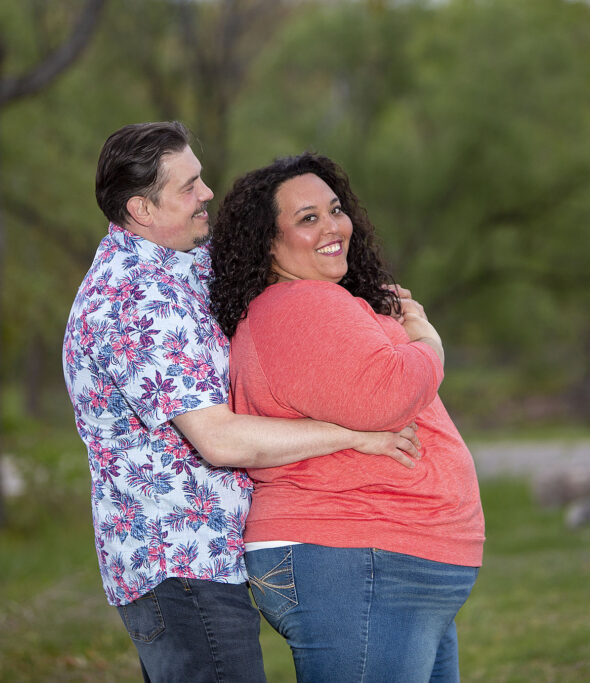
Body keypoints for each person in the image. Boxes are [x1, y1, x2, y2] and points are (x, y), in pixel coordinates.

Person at [62, 123, 422, 683]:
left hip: (204, 562)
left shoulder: (178, 266)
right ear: (141, 208)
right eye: (188, 187)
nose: (207, 193)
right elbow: (220, 439)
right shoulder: (133, 298)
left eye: (200, 178)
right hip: (180, 566)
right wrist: (353, 434)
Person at [208, 152, 486, 682]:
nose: (333, 227)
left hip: (382, 560)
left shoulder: (314, 302)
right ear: (269, 241)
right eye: (307, 218)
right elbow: (392, 392)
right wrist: (428, 336)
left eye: (334, 210)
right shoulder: (300, 304)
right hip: (356, 555)